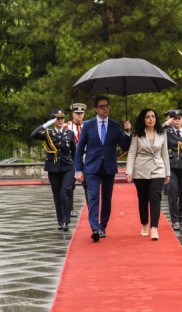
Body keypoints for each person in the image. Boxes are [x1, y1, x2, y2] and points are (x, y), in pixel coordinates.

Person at [75, 95, 131, 242]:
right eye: (102, 106)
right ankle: (94, 228)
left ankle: (102, 226)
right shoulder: (88, 125)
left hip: (108, 168)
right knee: (93, 197)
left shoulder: (115, 125)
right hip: (91, 167)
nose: (105, 108)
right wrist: (78, 170)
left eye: (107, 106)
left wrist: (127, 132)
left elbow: (125, 146)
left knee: (106, 199)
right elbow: (80, 148)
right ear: (96, 109)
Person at [126, 108, 170, 240]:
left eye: (153, 116)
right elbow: (132, 153)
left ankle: (154, 227)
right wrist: (129, 171)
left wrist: (167, 173)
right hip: (140, 170)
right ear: (143, 120)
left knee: (155, 197)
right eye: (147, 117)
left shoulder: (162, 133)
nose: (151, 119)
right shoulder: (137, 134)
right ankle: (144, 223)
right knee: (143, 199)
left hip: (158, 169)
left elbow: (165, 154)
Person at [31, 109, 76, 231]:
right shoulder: (48, 133)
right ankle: (60, 221)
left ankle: (66, 220)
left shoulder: (70, 133)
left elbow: (74, 152)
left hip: (68, 167)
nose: (60, 120)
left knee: (65, 192)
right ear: (53, 120)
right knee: (57, 195)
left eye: (62, 118)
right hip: (53, 167)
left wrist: (77, 169)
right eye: (57, 118)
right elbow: (33, 134)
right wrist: (47, 124)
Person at [66, 102, 87, 214]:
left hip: (85, 157)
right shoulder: (67, 127)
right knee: (70, 185)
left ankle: (90, 206)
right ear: (73, 114)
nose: (79, 115)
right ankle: (70, 208)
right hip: (72, 158)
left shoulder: (87, 126)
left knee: (87, 184)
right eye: (77, 113)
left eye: (81, 113)